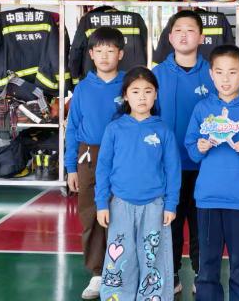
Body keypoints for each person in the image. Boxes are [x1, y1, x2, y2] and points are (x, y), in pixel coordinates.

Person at [185, 45, 239, 301]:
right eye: (220, 72)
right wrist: (200, 147)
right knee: (207, 265)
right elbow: (191, 149)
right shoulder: (202, 109)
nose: (226, 79)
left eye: (232, 72)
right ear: (211, 74)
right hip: (208, 199)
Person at [95, 66, 181, 301]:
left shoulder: (163, 130)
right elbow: (103, 168)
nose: (142, 97)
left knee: (153, 256)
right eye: (135, 91)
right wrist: (102, 203)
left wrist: (171, 204)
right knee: (121, 254)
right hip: (120, 204)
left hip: (155, 206)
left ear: (156, 95)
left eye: (148, 91)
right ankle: (116, 295)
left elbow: (173, 170)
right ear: (125, 95)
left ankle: (152, 296)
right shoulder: (114, 129)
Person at [152, 10, 216, 294]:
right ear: (170, 37)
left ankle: (203, 273)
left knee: (203, 222)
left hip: (206, 164)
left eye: (190, 30)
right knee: (170, 221)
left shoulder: (214, 73)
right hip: (169, 165)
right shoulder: (157, 75)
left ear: (201, 38)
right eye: (178, 30)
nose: (184, 35)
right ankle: (172, 273)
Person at [65, 26, 125, 300]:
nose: (104, 56)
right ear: (90, 54)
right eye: (99, 51)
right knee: (92, 214)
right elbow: (72, 129)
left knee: (123, 212)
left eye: (110, 51)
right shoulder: (82, 89)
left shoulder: (129, 84)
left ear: (120, 54)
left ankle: (122, 268)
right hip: (89, 157)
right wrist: (71, 168)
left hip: (123, 156)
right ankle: (98, 272)